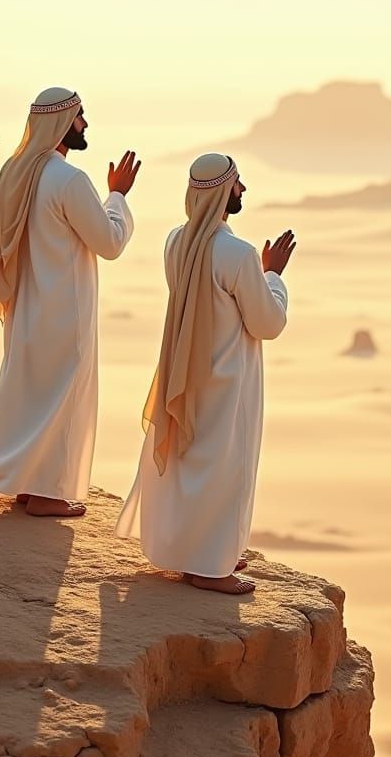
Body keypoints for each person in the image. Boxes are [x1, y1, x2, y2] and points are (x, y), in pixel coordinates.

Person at [115, 152, 294, 594]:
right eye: (237, 183)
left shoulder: (176, 240)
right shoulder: (238, 254)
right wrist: (273, 277)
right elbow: (267, 323)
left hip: (185, 371)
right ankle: (210, 568)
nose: (243, 190)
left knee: (188, 464)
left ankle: (196, 551)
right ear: (222, 191)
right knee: (223, 468)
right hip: (227, 380)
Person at [0, 87, 138, 516]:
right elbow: (109, 241)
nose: (85, 125)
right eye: (80, 117)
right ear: (63, 123)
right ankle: (46, 495)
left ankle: (28, 483)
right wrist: (117, 195)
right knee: (63, 398)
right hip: (64, 310)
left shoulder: (13, 170)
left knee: (32, 394)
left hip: (24, 305)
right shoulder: (69, 179)